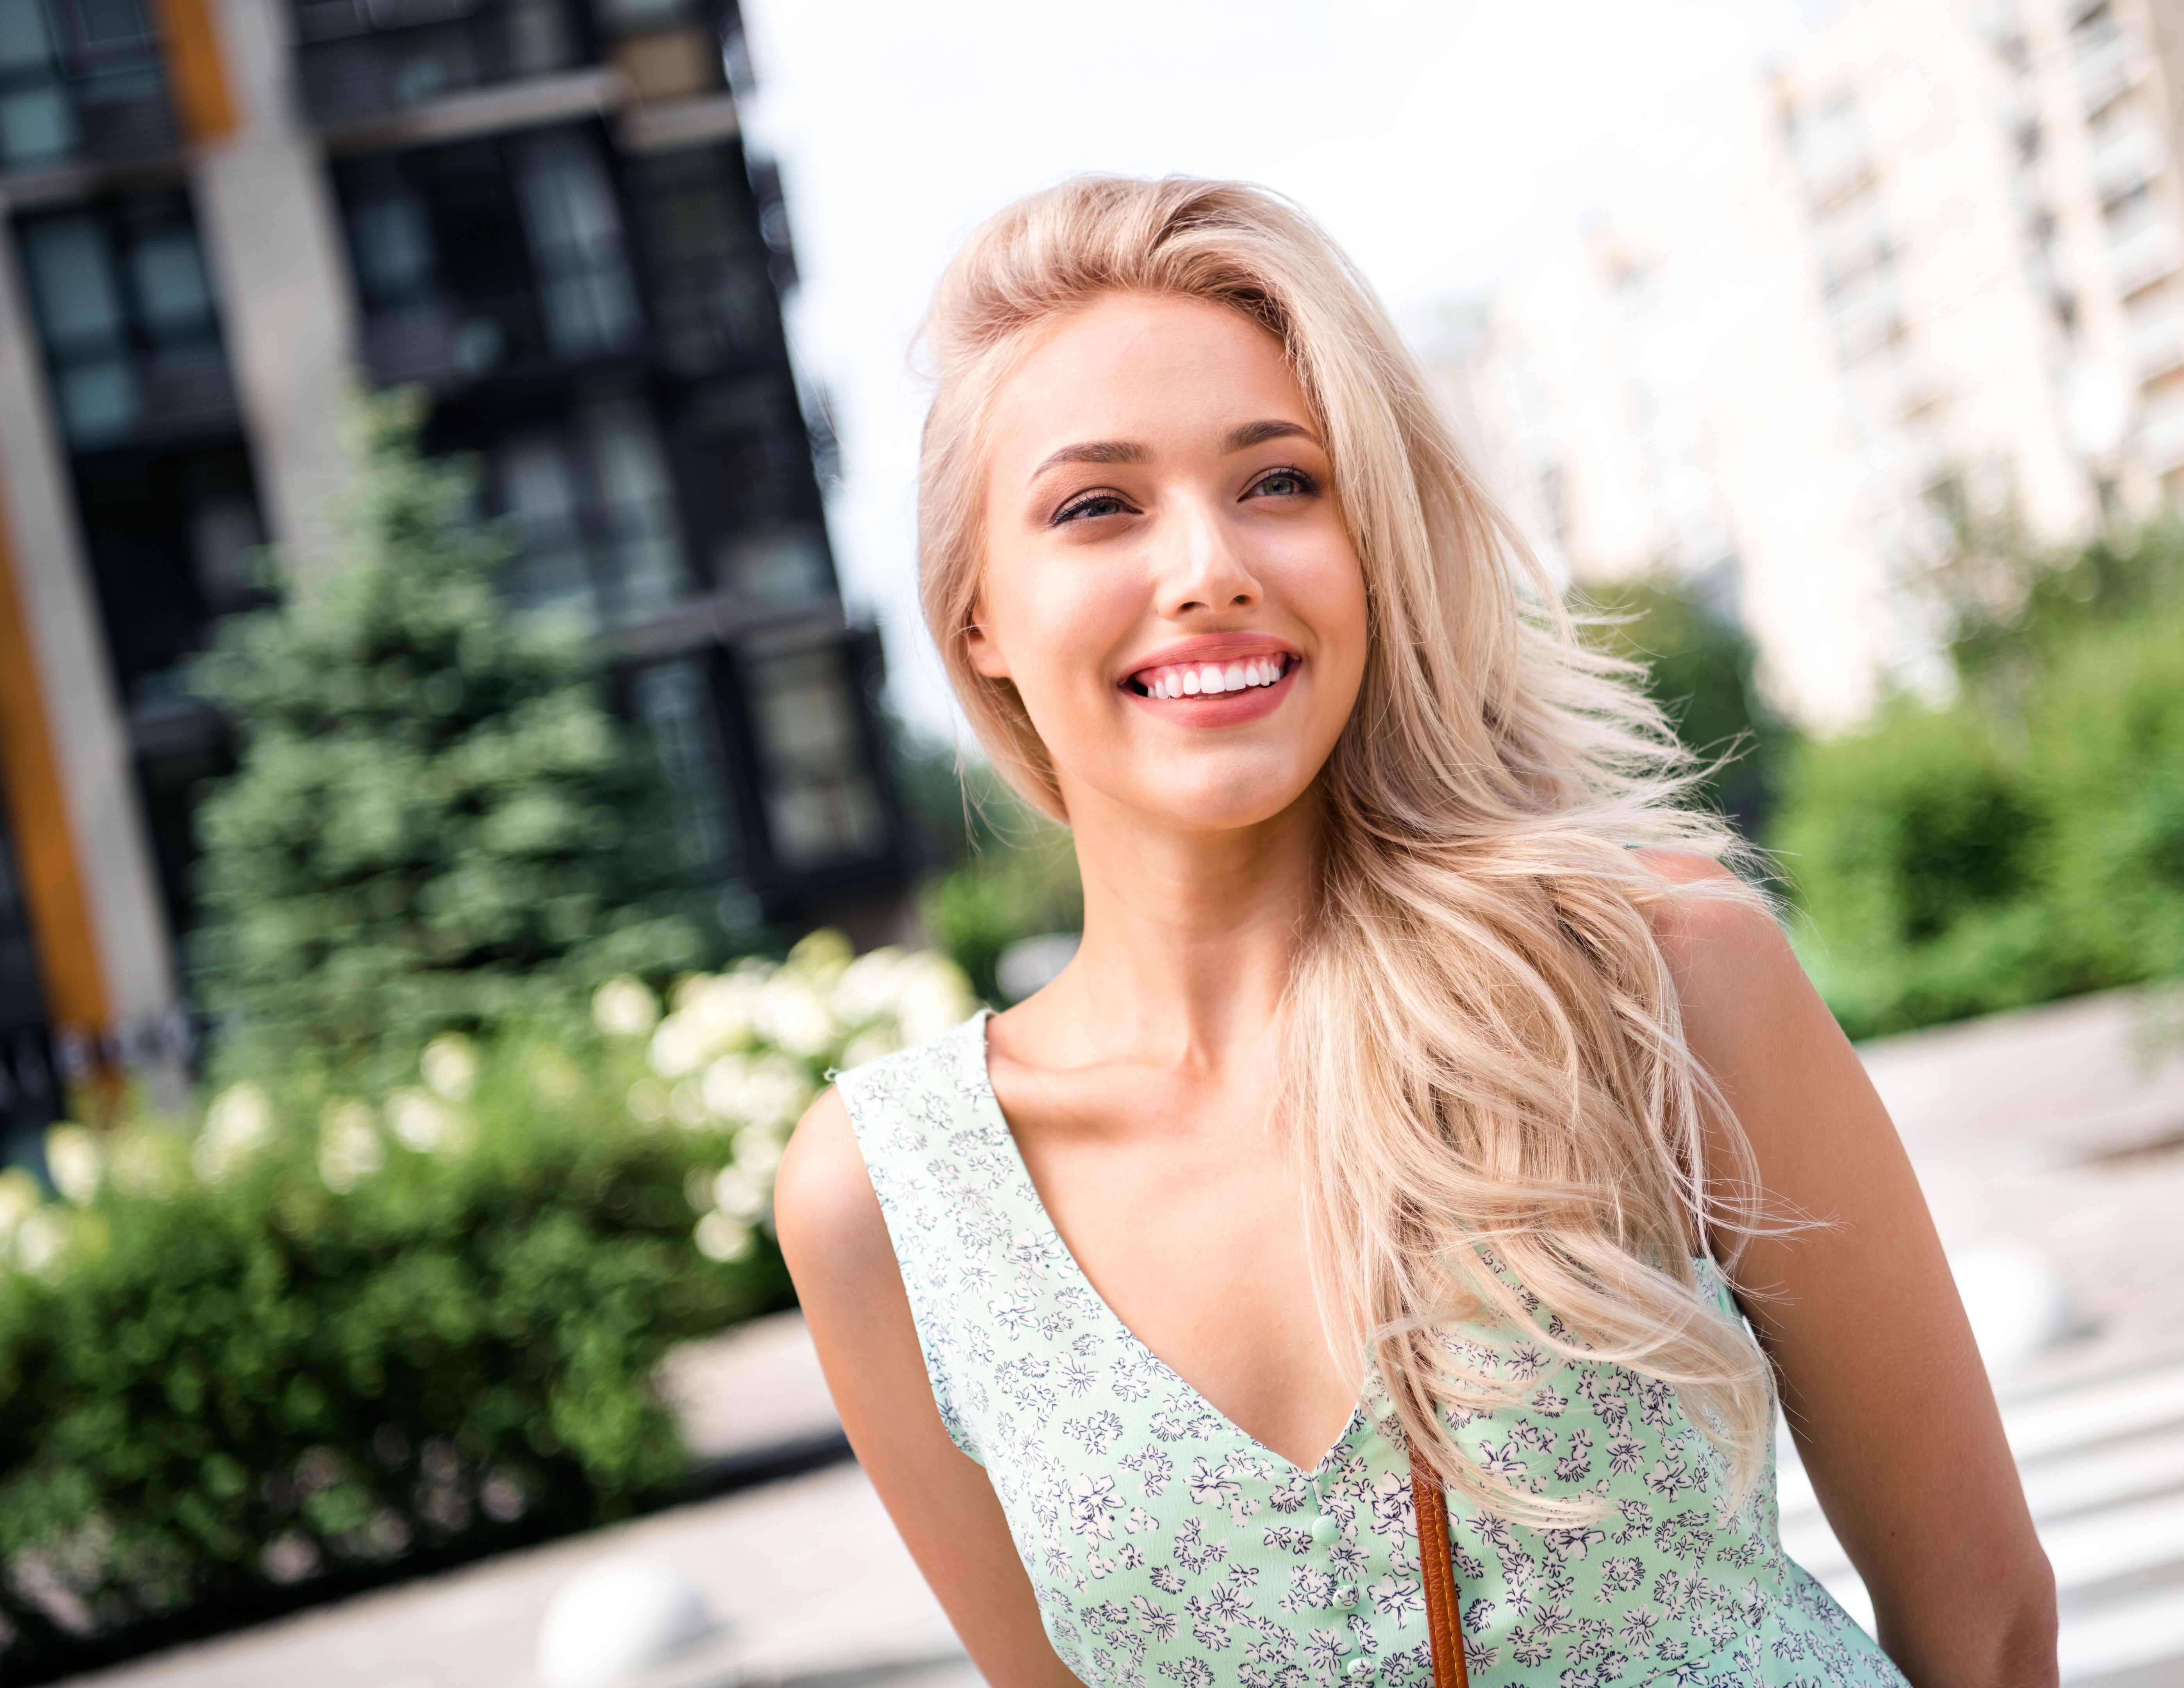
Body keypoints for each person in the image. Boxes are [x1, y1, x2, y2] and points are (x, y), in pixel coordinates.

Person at [777, 176, 2056, 1688]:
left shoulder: (1656, 981)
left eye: (1281, 483)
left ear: (1370, 545)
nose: (1211, 569)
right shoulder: (888, 1200)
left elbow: (1985, 1625)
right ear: (977, 609)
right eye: (1097, 506)